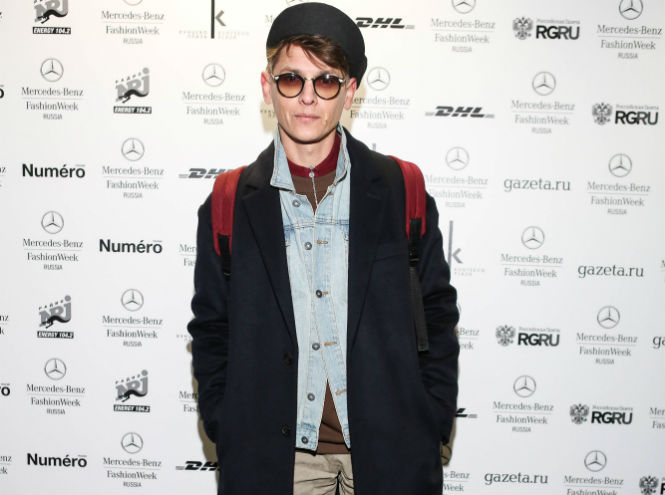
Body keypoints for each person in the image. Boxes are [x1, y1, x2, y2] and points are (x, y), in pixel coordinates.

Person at [188, 3, 459, 494]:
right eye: (292, 79)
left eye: (326, 81)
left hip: (391, 453)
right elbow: (211, 329)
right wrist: (227, 425)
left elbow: (436, 316)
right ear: (268, 87)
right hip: (276, 462)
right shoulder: (228, 201)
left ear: (349, 91)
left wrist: (430, 420)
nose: (308, 97)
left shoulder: (402, 189)